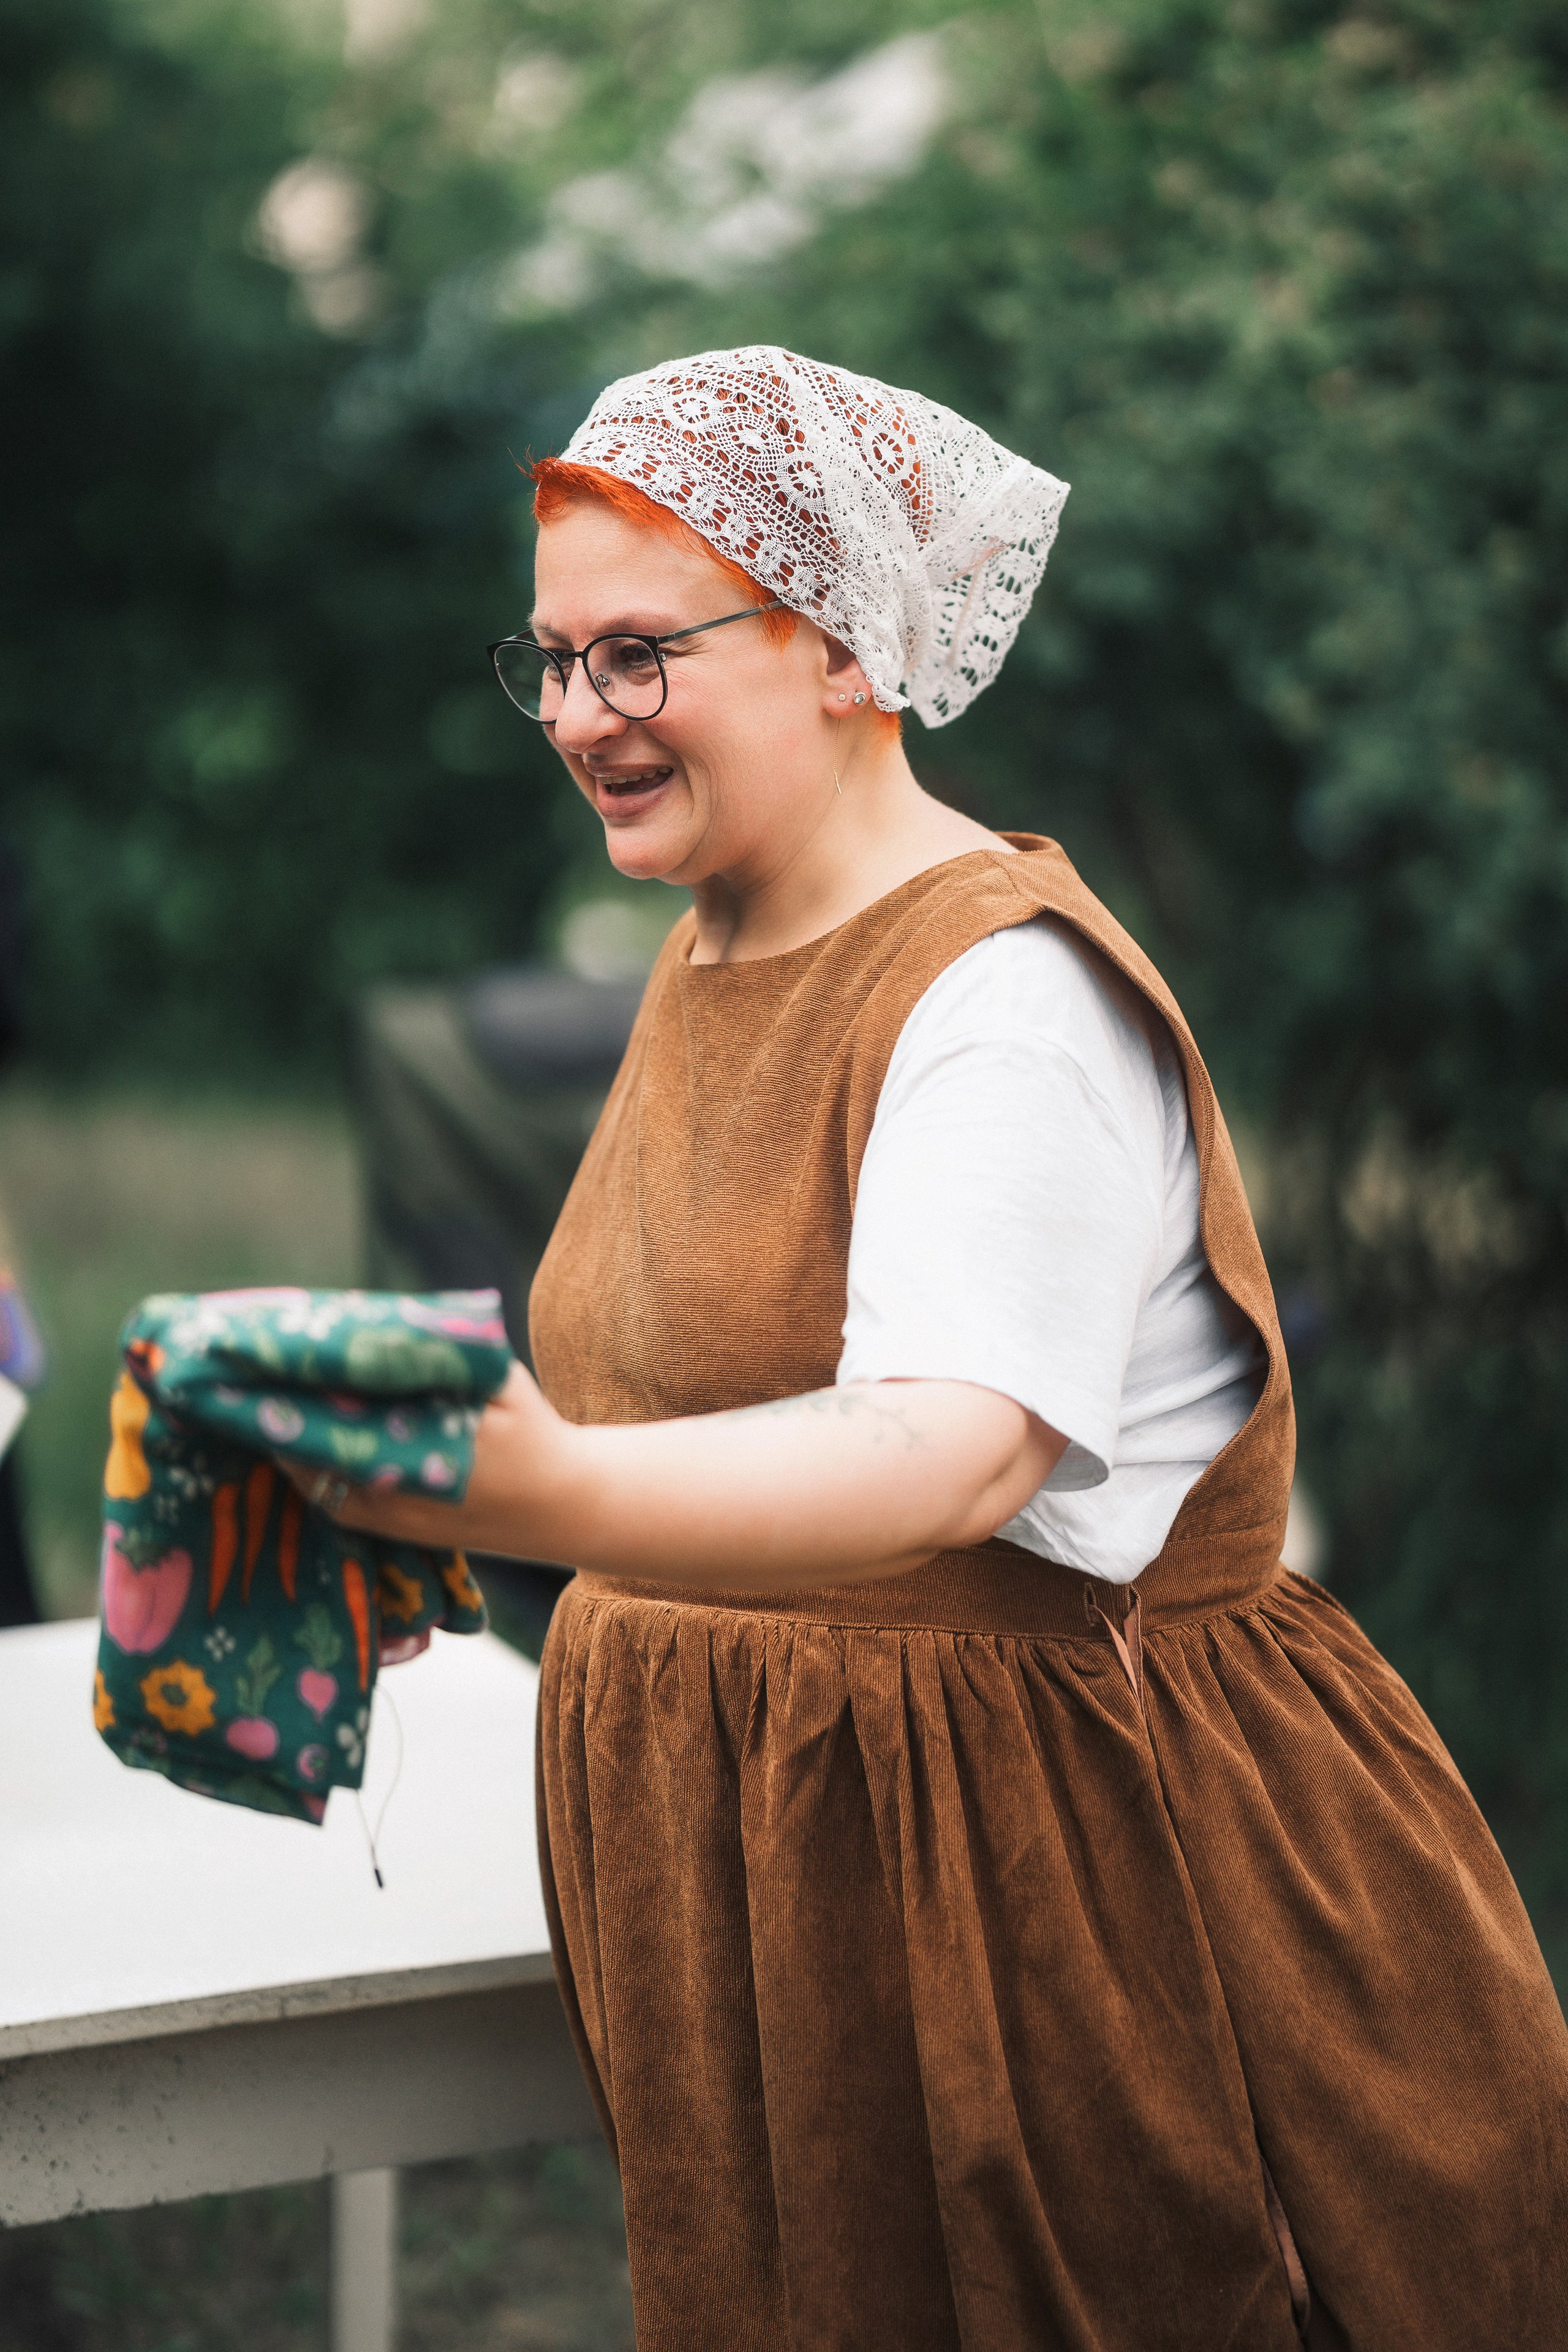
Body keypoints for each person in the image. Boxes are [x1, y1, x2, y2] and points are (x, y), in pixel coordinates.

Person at [311, 347, 1568, 2350]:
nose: (574, 716)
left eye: (638, 655)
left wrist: (543, 1491)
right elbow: (701, 1370)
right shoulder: (718, 934)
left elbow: (951, 1451)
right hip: (793, 1904)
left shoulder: (1003, 996)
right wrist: (409, 1495)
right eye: (546, 660)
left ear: (839, 646)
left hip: (1060, 1908)